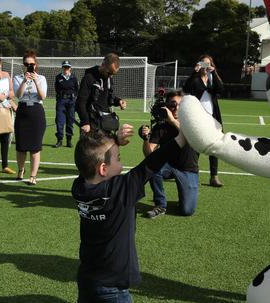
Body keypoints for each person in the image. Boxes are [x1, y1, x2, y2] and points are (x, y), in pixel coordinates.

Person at [41, 124, 187, 303]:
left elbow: (91, 163)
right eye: (118, 158)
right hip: (112, 282)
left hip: (88, 275)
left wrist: (114, 143)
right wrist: (182, 138)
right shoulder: (122, 189)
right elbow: (154, 161)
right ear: (103, 168)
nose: (122, 162)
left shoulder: (79, 187)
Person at [141, 90, 199, 219]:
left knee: (187, 211)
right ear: (167, 106)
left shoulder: (192, 123)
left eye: (180, 105)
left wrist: (172, 121)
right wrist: (146, 138)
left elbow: (189, 134)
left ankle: (184, 198)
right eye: (173, 105)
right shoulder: (161, 126)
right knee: (152, 165)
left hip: (188, 169)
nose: (176, 108)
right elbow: (149, 155)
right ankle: (160, 204)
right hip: (168, 166)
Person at [182, 54, 225, 187]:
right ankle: (191, 172)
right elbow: (186, 88)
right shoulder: (195, 79)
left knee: (215, 145)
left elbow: (220, 89)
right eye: (203, 64)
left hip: (213, 117)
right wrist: (194, 72)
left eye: (208, 64)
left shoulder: (212, 78)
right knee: (195, 145)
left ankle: (214, 176)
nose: (206, 67)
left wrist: (214, 73)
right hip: (197, 117)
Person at [13, 49, 47, 185]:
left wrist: (35, 81)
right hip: (22, 111)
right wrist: (24, 81)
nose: (29, 66)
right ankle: (21, 170)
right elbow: (18, 95)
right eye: (26, 64)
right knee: (21, 146)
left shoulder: (42, 78)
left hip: (36, 112)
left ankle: (33, 175)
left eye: (31, 64)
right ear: (24, 65)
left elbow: (43, 96)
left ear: (36, 64)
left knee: (35, 146)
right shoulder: (17, 78)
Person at [76, 53, 127, 133]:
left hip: (105, 122)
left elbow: (108, 98)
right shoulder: (89, 77)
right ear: (103, 64)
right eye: (109, 73)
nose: (110, 76)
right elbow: (81, 102)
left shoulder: (109, 78)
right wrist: (85, 122)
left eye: (113, 74)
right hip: (91, 123)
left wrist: (119, 101)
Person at [54, 60, 79, 148]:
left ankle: (69, 140)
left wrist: (73, 98)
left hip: (71, 102)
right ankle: (59, 140)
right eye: (64, 67)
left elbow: (76, 89)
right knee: (60, 121)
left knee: (70, 122)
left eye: (67, 67)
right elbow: (56, 88)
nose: (66, 69)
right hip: (61, 101)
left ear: (70, 68)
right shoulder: (58, 77)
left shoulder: (74, 78)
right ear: (62, 68)